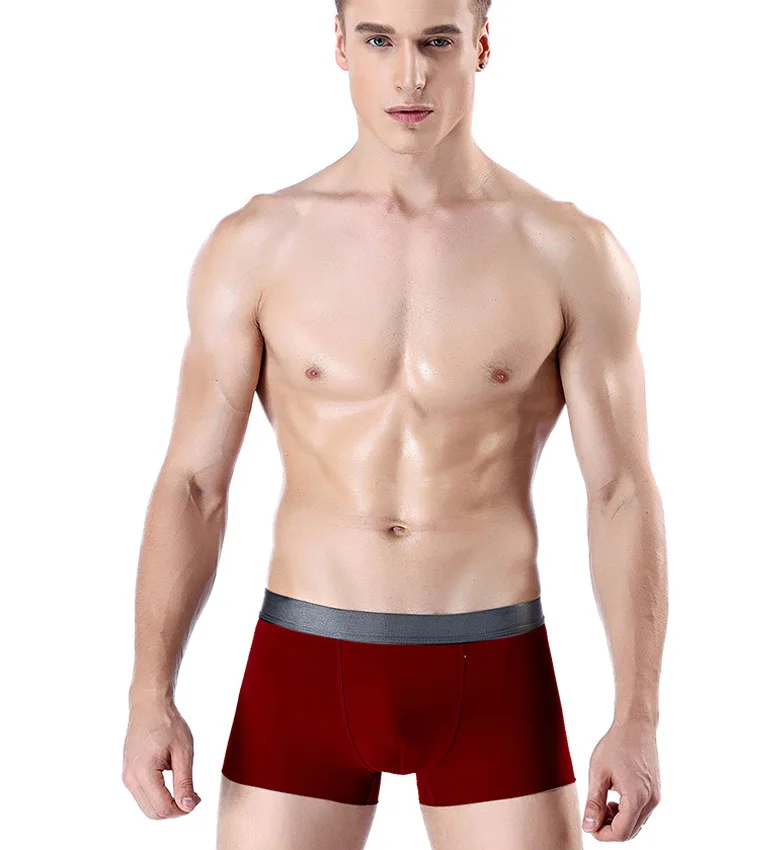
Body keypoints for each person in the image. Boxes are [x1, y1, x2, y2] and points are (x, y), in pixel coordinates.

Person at [122, 0, 668, 847]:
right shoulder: (258, 244)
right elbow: (194, 484)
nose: (409, 75)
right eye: (379, 40)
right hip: (305, 654)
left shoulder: (567, 251)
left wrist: (637, 719)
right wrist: (149, 695)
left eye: (436, 42)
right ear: (341, 46)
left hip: (495, 662)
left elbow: (620, 491)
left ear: (480, 46)